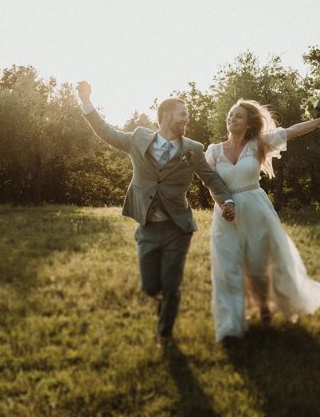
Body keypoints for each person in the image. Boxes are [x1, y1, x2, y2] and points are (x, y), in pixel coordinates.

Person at [77, 81, 236, 348]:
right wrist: (86, 102)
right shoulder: (139, 138)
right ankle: (159, 300)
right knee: (150, 287)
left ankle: (165, 334)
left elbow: (211, 179)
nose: (187, 118)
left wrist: (227, 201)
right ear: (165, 116)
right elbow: (106, 132)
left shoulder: (193, 149)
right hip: (147, 226)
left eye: (187, 115)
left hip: (178, 227)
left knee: (172, 286)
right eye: (182, 114)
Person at [205, 99, 320, 343]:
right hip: (225, 215)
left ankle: (264, 304)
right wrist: (225, 204)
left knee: (257, 267)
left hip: (256, 212)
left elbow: (292, 130)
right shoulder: (213, 151)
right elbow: (211, 182)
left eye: (238, 116)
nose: (232, 118)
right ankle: (229, 328)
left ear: (249, 123)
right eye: (230, 114)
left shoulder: (258, 144)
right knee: (227, 268)